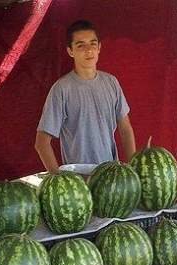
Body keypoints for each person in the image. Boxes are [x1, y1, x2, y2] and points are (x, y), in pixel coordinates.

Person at [34, 20, 136, 173]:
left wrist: (133, 168)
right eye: (81, 45)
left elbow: (125, 129)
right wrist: (59, 180)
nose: (89, 50)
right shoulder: (61, 89)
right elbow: (41, 143)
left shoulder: (111, 83)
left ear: (99, 47)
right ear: (70, 51)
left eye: (93, 44)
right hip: (78, 181)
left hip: (110, 177)